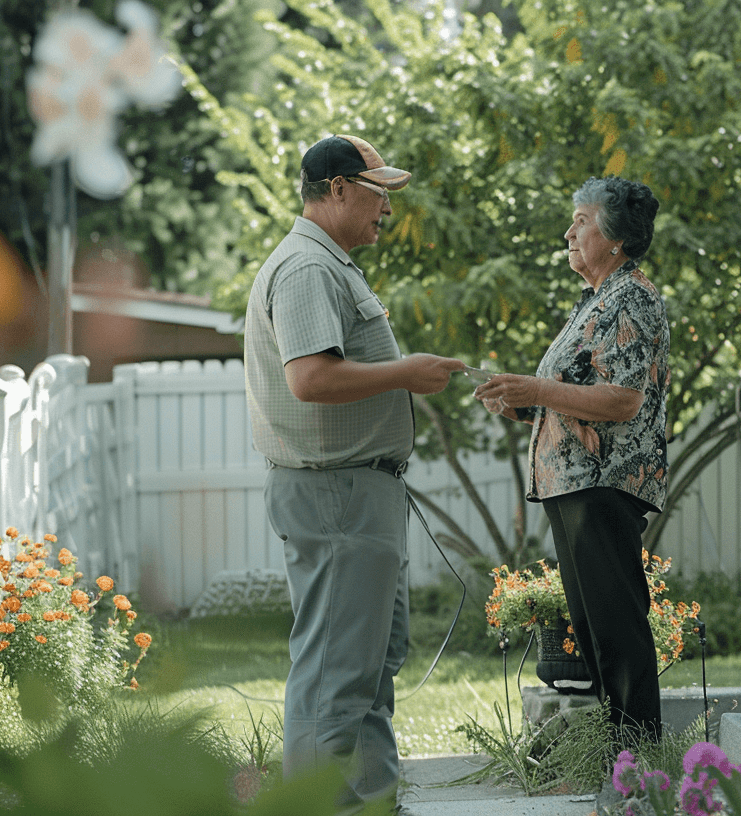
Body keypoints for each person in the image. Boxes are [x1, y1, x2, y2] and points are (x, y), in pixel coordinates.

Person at [243, 133, 465, 808]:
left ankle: (372, 802)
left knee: (368, 668)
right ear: (337, 190)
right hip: (338, 495)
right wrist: (411, 372)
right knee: (338, 677)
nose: (387, 210)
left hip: (354, 492)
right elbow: (310, 378)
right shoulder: (308, 268)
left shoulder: (326, 264)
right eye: (378, 193)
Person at [473, 176, 670, 773]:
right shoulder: (594, 301)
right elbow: (576, 393)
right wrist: (520, 403)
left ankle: (641, 763)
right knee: (595, 631)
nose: (569, 232)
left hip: (605, 481)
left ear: (611, 238)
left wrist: (536, 388)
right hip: (572, 482)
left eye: (580, 221)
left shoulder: (631, 298)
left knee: (616, 629)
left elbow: (622, 400)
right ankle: (622, 757)